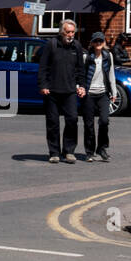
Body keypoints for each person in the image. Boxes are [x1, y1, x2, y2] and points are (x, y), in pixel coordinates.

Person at [38, 20, 85, 163]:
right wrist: (43, 85)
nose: (70, 35)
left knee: (72, 119)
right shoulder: (51, 45)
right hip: (52, 91)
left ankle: (69, 151)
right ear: (61, 32)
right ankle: (54, 152)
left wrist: (82, 86)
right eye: (68, 32)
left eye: (72, 32)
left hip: (70, 90)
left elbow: (80, 69)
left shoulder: (76, 46)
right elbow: (43, 67)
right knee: (53, 122)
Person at [81, 33, 114, 162]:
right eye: (96, 41)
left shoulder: (108, 56)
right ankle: (89, 151)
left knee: (104, 121)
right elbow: (81, 74)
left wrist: (114, 92)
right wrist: (80, 87)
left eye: (101, 40)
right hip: (89, 93)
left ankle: (101, 148)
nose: (99, 43)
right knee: (89, 124)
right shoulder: (86, 57)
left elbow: (111, 74)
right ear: (92, 43)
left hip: (103, 93)